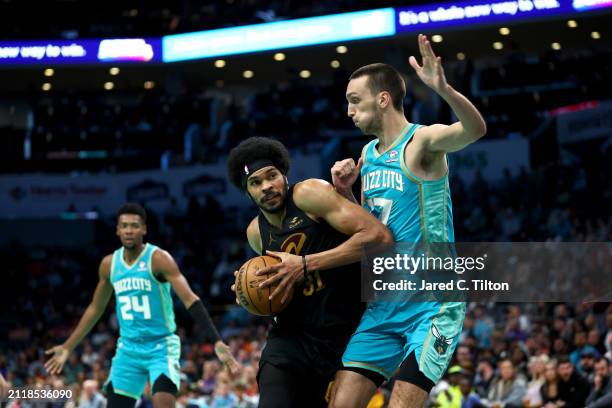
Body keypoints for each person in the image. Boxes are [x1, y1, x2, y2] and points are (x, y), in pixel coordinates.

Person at [330, 34, 487, 407]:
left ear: (382, 99)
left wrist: (443, 89)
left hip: (431, 303)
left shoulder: (423, 141)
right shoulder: (367, 156)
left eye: (355, 101)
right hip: (384, 304)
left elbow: (475, 130)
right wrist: (345, 193)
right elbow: (372, 230)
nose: (349, 111)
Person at [227, 137, 393, 407]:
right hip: (291, 339)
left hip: (343, 335)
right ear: (247, 193)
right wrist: (251, 291)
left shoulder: (309, 194)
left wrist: (305, 264)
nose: (267, 187)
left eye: (272, 176)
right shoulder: (255, 233)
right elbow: (278, 284)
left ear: (285, 175)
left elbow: (379, 237)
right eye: (255, 183)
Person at [45, 203, 239, 408]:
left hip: (161, 346)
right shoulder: (109, 264)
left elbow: (190, 299)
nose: (129, 230)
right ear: (117, 230)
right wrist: (68, 346)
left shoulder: (159, 259)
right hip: (128, 349)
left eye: (135, 226)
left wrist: (216, 341)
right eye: (125, 226)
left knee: (163, 402)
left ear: (144, 229)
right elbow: (95, 308)